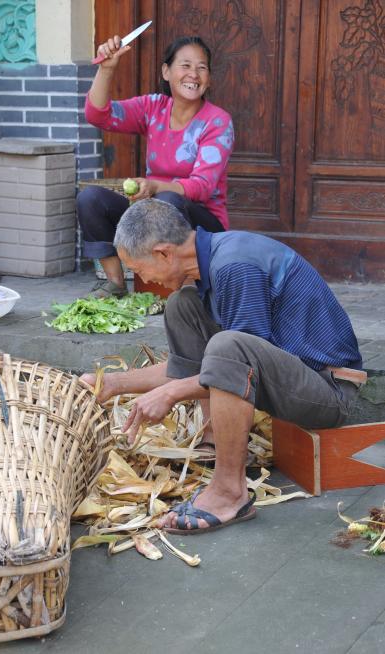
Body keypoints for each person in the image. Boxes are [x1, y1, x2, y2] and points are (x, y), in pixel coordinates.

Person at [81, 198, 364, 534]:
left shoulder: (234, 266)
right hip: (292, 378)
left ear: (163, 253)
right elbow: (195, 370)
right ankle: (213, 440)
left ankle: (230, 490)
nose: (143, 279)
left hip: (328, 392)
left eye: (139, 270)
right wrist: (112, 384)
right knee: (182, 306)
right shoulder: (214, 260)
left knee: (229, 344)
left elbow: (236, 363)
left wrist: (170, 394)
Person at [77, 34, 234, 297]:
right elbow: (98, 115)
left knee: (168, 200)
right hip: (154, 214)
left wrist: (154, 186)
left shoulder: (217, 121)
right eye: (185, 65)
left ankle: (185, 291)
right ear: (166, 71)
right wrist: (107, 68)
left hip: (203, 227)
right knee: (90, 198)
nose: (193, 74)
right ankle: (114, 283)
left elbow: (202, 187)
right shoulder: (154, 108)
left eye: (202, 67)